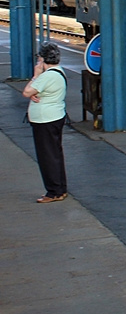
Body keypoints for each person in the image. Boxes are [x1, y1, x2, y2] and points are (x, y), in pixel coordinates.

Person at [22, 42, 69, 204]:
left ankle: (53, 192)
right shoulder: (58, 72)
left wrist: (36, 75)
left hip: (45, 120)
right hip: (55, 117)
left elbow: (27, 91)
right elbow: (35, 92)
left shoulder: (46, 76)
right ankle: (60, 189)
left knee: (47, 157)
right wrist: (34, 93)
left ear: (42, 59)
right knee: (55, 154)